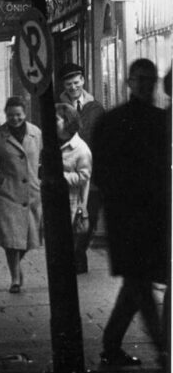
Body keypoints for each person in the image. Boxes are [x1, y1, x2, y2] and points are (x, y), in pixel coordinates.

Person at [93, 58, 169, 367]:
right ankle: (163, 349)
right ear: (128, 82)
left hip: (143, 217)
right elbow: (102, 173)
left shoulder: (156, 120)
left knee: (136, 283)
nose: (145, 85)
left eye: (149, 79)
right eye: (140, 79)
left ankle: (111, 345)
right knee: (139, 282)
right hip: (131, 217)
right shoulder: (116, 121)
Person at [0, 97, 42, 294]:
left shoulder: (36, 133)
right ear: (6, 114)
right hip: (7, 192)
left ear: (25, 113)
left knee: (30, 238)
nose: (15, 118)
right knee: (11, 239)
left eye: (18, 115)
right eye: (11, 115)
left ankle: (16, 268)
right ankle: (15, 277)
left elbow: (42, 157)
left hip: (31, 193)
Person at [56, 62, 106, 260]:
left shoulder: (95, 107)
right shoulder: (57, 108)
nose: (73, 87)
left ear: (83, 81)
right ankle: (76, 257)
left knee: (89, 215)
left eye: (76, 82)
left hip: (92, 172)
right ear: (63, 86)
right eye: (68, 84)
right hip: (67, 169)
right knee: (69, 217)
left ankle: (79, 253)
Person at [56, 102, 92, 274]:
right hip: (53, 200)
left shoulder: (81, 149)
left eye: (56, 119)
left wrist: (60, 176)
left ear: (67, 122)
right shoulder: (52, 142)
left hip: (70, 201)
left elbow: (84, 176)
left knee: (67, 242)